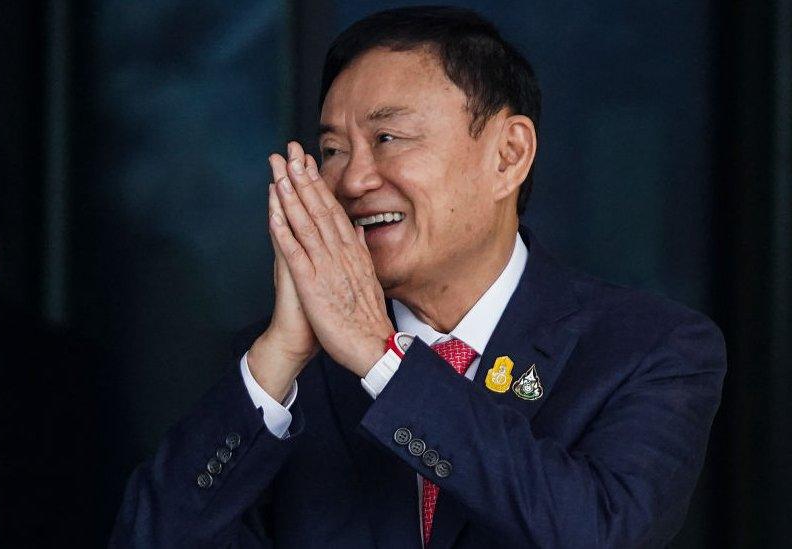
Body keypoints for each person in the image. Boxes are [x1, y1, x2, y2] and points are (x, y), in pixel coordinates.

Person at [108, 6, 725, 548]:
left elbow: (593, 532)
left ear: (508, 155)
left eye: (388, 137)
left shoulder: (650, 349)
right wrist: (279, 355)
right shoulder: (281, 374)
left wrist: (383, 361)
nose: (351, 181)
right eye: (332, 149)